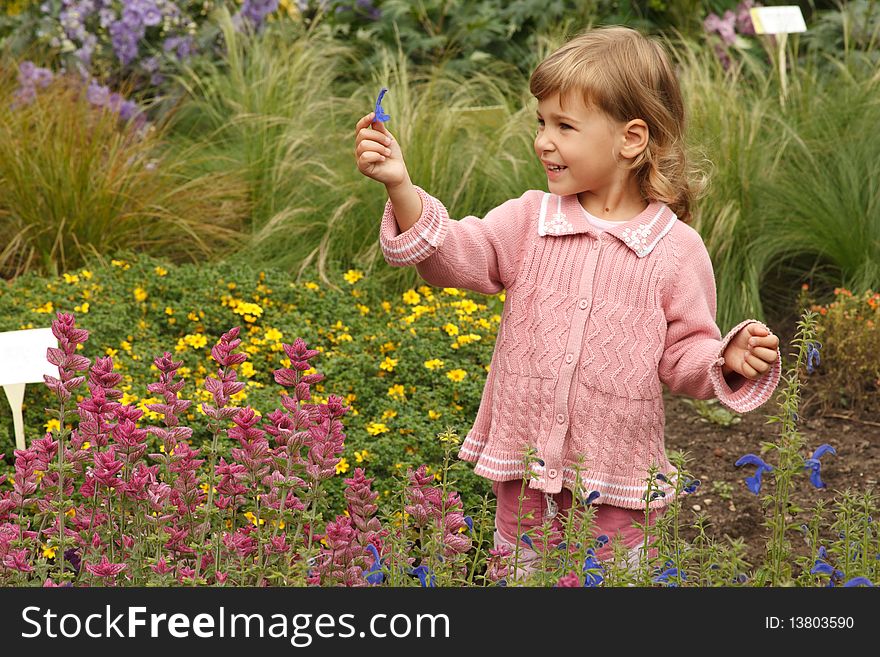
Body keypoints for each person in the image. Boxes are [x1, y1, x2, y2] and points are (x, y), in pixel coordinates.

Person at [354, 26, 781, 578]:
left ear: (631, 139)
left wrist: (723, 359)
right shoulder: (529, 220)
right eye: (541, 122)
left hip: (616, 485)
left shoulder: (675, 250)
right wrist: (400, 187)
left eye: (564, 126)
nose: (543, 141)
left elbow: (683, 355)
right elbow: (455, 256)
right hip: (527, 471)